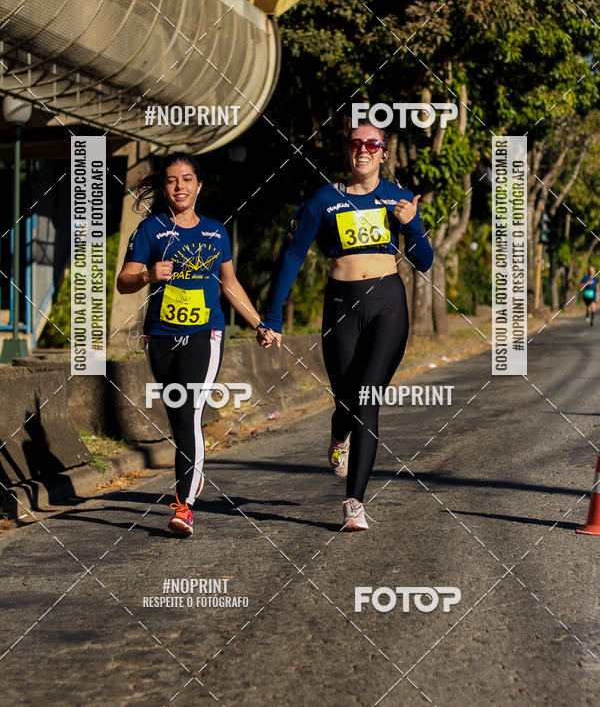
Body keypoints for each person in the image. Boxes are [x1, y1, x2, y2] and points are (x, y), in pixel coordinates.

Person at [257, 121, 434, 531]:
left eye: (372, 144)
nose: (364, 149)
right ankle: (340, 436)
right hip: (340, 306)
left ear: (383, 154)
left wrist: (413, 222)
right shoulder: (324, 199)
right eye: (356, 143)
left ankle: (354, 502)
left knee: (367, 397)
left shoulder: (397, 197)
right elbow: (291, 257)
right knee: (345, 400)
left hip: (388, 305)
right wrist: (273, 315)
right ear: (348, 152)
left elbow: (423, 261)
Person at [117, 151, 266, 536]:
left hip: (205, 331)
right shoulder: (149, 230)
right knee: (177, 415)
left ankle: (184, 504)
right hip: (160, 335)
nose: (179, 186)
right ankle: (189, 483)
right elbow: (124, 280)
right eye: (171, 180)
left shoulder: (216, 231)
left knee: (189, 412)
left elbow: (229, 284)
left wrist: (258, 323)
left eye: (186, 179)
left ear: (199, 185)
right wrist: (149, 275)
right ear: (164, 188)